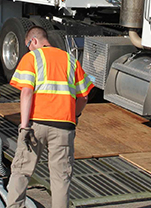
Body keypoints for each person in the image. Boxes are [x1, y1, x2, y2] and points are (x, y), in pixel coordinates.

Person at [6, 26, 93, 208]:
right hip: (64, 126)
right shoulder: (71, 60)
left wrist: (23, 125)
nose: (29, 48)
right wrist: (75, 115)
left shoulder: (32, 57)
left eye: (29, 45)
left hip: (36, 125)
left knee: (21, 171)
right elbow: (84, 96)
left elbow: (27, 92)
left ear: (35, 41)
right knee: (61, 178)